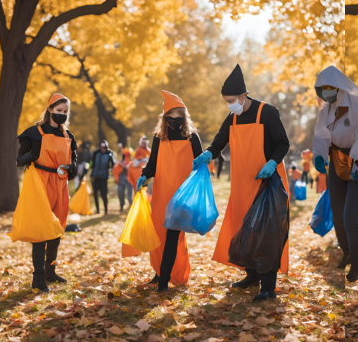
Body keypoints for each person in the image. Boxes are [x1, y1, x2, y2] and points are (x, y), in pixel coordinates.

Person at [193, 64, 290, 301]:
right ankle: (252, 274)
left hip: (267, 183)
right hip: (241, 184)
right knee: (243, 229)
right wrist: (207, 155)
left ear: (244, 95)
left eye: (232, 100)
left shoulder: (267, 112)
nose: (229, 105)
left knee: (266, 233)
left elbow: (283, 143)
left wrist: (271, 163)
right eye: (226, 101)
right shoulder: (232, 117)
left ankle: (268, 287)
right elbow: (218, 143)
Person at [312, 65, 358, 281]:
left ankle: (357, 265)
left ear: (339, 86)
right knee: (339, 215)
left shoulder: (357, 103)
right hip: (337, 161)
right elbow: (321, 136)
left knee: (351, 216)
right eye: (321, 89)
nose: (325, 92)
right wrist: (319, 155)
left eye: (329, 87)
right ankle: (347, 253)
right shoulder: (326, 109)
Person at [136, 91, 200, 292]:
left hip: (182, 194)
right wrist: (144, 175)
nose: (175, 121)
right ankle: (159, 273)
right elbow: (153, 163)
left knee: (173, 234)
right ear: (165, 119)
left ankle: (164, 280)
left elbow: (200, 165)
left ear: (184, 116)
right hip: (162, 193)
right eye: (170, 117)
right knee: (159, 235)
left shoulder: (191, 137)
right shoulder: (159, 137)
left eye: (179, 116)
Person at [16, 93, 78, 292]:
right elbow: (18, 159)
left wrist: (72, 168)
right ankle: (38, 277)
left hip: (60, 184)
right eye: (59, 111)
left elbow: (74, 161)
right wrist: (29, 157)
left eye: (65, 112)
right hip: (40, 184)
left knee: (56, 229)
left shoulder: (68, 136)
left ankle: (50, 271)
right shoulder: (35, 133)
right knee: (41, 230)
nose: (62, 114)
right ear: (50, 110)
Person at [90, 140, 115, 215]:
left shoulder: (109, 154)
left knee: (103, 194)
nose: (103, 148)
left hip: (103, 177)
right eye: (102, 147)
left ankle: (106, 210)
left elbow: (113, 164)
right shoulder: (96, 153)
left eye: (104, 147)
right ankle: (97, 210)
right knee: (95, 194)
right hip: (95, 177)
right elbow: (92, 164)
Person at [114, 143, 133, 212]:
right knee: (120, 194)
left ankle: (131, 208)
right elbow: (115, 171)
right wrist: (116, 179)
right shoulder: (118, 163)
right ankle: (121, 206)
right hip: (120, 180)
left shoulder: (129, 161)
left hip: (128, 180)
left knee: (129, 196)